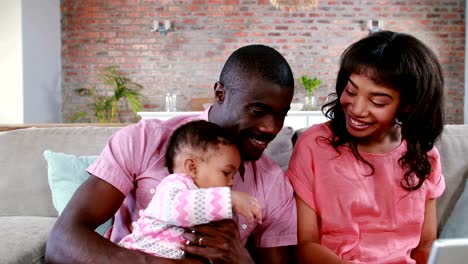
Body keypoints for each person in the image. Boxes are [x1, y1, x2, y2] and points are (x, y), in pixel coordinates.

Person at [45, 44, 297, 264]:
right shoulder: (145, 140)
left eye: (281, 114)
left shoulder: (273, 184)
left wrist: (239, 260)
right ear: (220, 93)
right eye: (258, 110)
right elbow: (62, 242)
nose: (272, 127)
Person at [287, 30, 445, 264]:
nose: (357, 109)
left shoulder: (424, 156)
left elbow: (425, 246)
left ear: (408, 105)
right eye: (351, 91)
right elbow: (305, 245)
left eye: (377, 101)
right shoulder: (314, 145)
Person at [118, 120, 263, 259]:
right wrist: (230, 199)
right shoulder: (175, 185)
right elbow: (176, 209)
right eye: (226, 173)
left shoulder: (207, 202)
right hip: (140, 253)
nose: (231, 182)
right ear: (192, 167)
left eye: (234, 176)